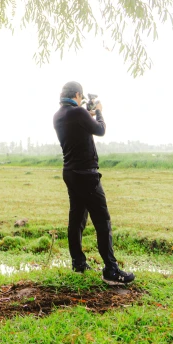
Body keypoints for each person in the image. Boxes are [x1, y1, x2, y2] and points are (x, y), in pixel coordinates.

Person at [53, 80, 135, 285]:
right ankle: (111, 270)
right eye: (82, 99)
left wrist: (85, 113)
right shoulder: (78, 113)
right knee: (102, 221)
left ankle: (78, 263)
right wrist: (98, 111)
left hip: (70, 172)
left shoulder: (59, 115)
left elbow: (78, 122)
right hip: (87, 174)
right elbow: (100, 130)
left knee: (77, 218)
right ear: (78, 95)